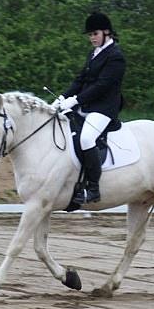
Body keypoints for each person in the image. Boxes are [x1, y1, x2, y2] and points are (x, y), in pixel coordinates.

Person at [54, 12, 126, 205]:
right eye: (90, 35)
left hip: (104, 108)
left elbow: (101, 86)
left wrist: (75, 100)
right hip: (87, 105)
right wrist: (63, 97)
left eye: (95, 33)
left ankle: (93, 188)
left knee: (86, 138)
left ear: (106, 32)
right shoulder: (94, 53)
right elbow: (81, 80)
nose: (92, 38)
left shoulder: (115, 57)